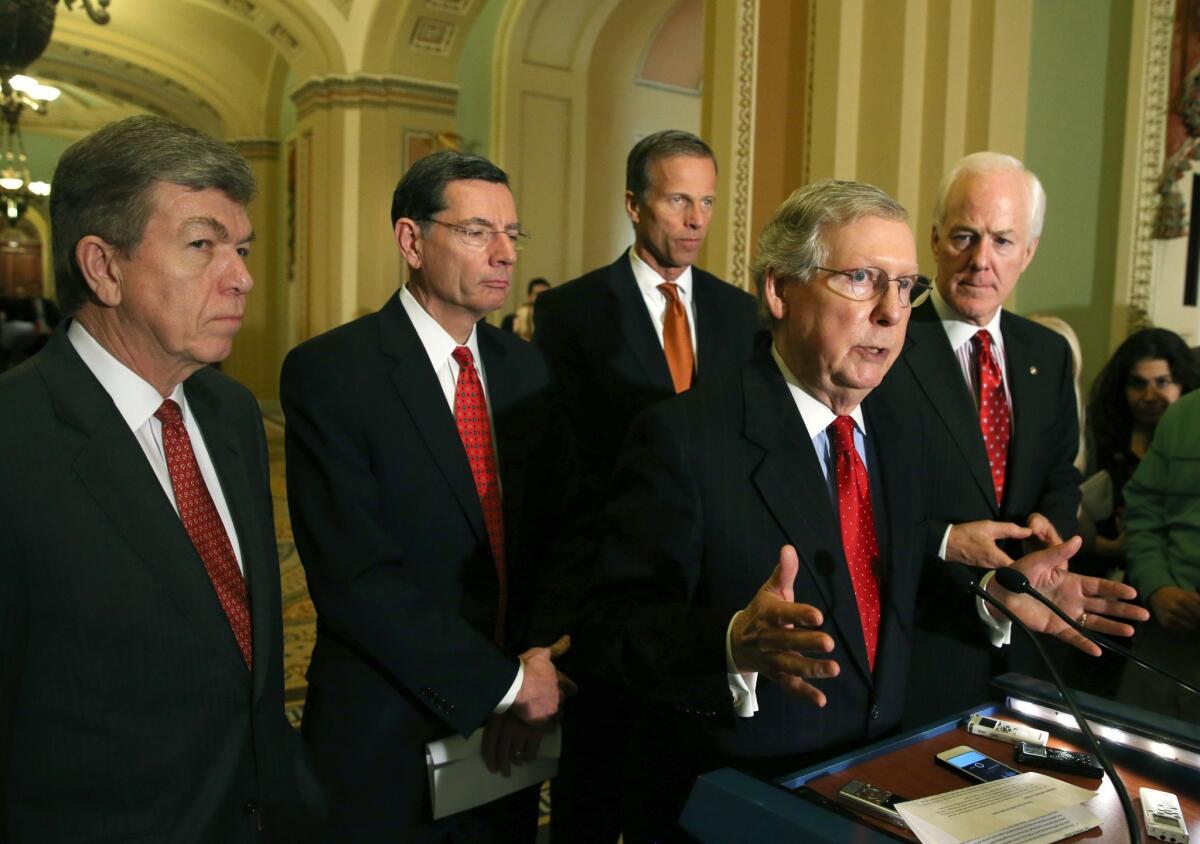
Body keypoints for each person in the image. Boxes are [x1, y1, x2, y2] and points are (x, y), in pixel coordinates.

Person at [576, 180, 1146, 843]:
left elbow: (878, 592)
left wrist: (996, 593)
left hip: (877, 790)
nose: (890, 312)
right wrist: (733, 642)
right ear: (779, 290)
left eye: (905, 287)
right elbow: (604, 630)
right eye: (861, 279)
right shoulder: (684, 438)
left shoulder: (899, 430)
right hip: (740, 802)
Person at [0, 115, 320, 842]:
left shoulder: (232, 409)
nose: (240, 277)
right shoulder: (13, 443)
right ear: (103, 267)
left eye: (241, 249)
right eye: (202, 245)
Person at [281, 150, 576, 842]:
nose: (505, 253)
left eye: (513, 234)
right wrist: (499, 685)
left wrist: (535, 660)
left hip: (513, 730)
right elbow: (356, 578)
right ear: (412, 240)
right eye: (478, 232)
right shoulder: (333, 373)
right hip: (389, 729)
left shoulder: (524, 367)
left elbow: (557, 530)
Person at [533, 129, 761, 842]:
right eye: (677, 200)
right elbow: (563, 464)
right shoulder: (572, 311)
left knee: (684, 795)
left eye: (707, 202)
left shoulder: (738, 311)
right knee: (596, 789)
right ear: (634, 205)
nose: (696, 219)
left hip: (709, 586)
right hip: (614, 580)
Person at [881, 152, 1084, 724]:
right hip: (919, 638)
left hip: (1029, 645)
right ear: (935, 238)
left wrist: (1052, 524)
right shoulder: (886, 346)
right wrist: (944, 538)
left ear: (1029, 251)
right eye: (965, 237)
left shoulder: (1048, 353)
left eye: (1002, 240)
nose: (981, 261)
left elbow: (1061, 473)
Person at [1083, 327, 1200, 557]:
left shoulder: (1188, 437)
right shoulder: (1096, 434)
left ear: (1183, 383)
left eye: (1162, 383)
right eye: (1138, 384)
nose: (1149, 396)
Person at [1120, 388, 1200, 722]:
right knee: (1131, 767)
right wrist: (1157, 586)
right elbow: (1142, 513)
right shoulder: (1184, 413)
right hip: (1168, 643)